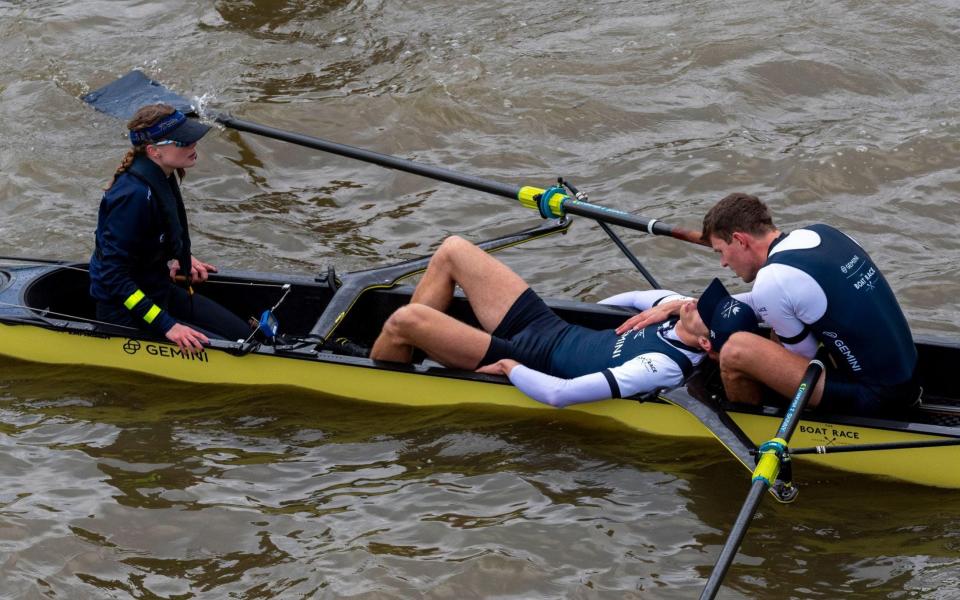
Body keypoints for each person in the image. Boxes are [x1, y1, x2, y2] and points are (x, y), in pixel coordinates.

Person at [370, 236, 758, 407]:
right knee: (454, 250)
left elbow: (560, 395)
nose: (695, 304)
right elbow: (634, 298)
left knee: (405, 319)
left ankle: (381, 371)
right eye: (706, 299)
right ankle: (410, 353)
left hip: (527, 359)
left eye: (703, 311)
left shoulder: (659, 366)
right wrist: (668, 304)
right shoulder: (678, 311)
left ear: (706, 345)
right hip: (549, 326)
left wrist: (510, 367)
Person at [632, 192, 919, 416]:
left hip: (876, 398)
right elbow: (774, 300)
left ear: (739, 240)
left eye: (722, 251)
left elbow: (802, 362)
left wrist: (728, 351)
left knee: (735, 350)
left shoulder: (773, 279)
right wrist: (680, 304)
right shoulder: (823, 233)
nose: (723, 262)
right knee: (776, 326)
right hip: (908, 372)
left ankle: (751, 421)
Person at [89, 103, 251, 353]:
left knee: (245, 335)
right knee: (238, 348)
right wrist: (168, 326)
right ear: (154, 151)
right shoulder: (132, 197)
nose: (193, 145)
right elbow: (112, 276)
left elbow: (154, 234)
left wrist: (178, 255)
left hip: (157, 287)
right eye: (184, 142)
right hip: (127, 309)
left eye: (192, 139)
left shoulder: (163, 174)